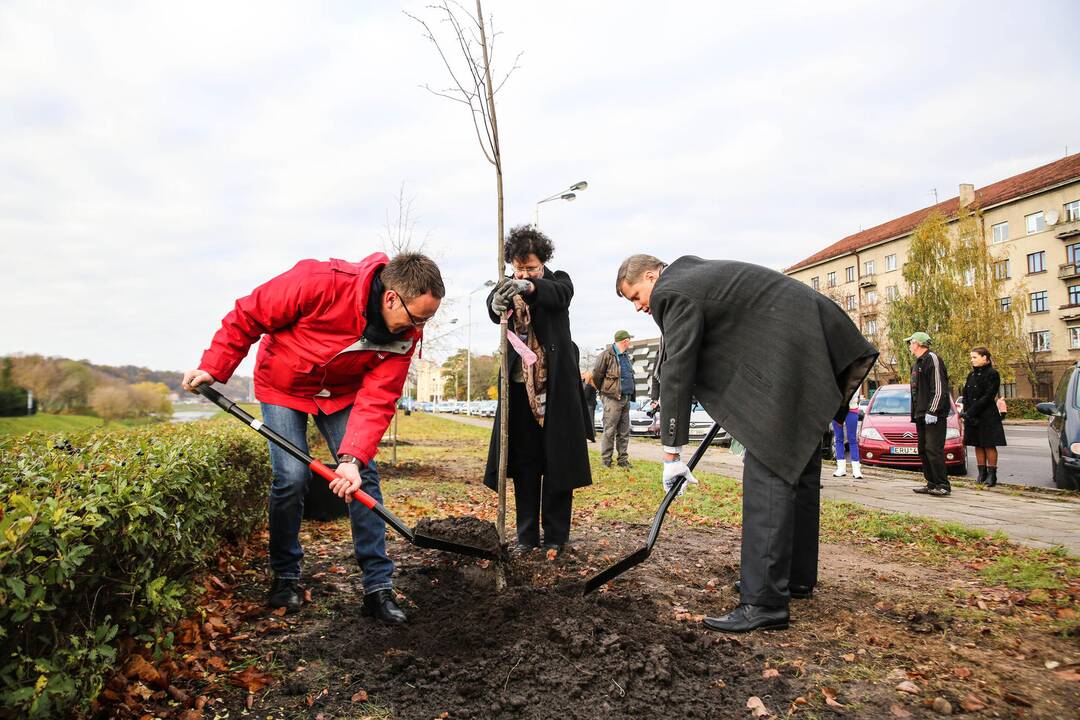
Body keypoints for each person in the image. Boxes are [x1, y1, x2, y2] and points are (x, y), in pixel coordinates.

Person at [615, 254, 877, 633]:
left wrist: (671, 453)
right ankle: (794, 579)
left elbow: (678, 369)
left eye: (636, 295)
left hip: (788, 354)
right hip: (808, 344)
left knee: (767, 475)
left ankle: (763, 602)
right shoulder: (693, 276)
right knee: (796, 467)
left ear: (652, 276)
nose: (640, 306)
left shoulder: (672, 291)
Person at [181, 252, 445, 624]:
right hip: (283, 385)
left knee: (362, 477)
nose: (419, 327)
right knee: (291, 477)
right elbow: (248, 314)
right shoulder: (319, 281)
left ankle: (377, 588)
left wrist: (350, 459)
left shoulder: (405, 337)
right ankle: (285, 576)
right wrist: (214, 368)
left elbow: (379, 397)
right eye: (419, 317)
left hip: (341, 393)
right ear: (391, 298)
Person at [484, 225, 593, 553]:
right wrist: (497, 301)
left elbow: (558, 295)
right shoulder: (505, 284)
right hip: (519, 392)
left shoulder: (559, 281)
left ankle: (557, 537)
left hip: (555, 392)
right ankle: (526, 537)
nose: (524, 272)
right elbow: (493, 309)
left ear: (542, 262)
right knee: (526, 465)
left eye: (531, 267)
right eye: (519, 268)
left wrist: (529, 285)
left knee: (557, 462)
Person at [905, 331, 951, 497]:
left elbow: (939, 388)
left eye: (910, 343)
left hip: (934, 415)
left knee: (933, 449)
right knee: (923, 449)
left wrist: (933, 410)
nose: (909, 346)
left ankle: (942, 484)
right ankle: (931, 483)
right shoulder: (918, 363)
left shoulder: (932, 359)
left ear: (917, 343)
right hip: (921, 415)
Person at [960, 346, 1006, 487]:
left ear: (984, 358)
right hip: (972, 417)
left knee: (988, 444)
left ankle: (992, 475)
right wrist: (967, 412)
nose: (971, 360)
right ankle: (982, 473)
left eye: (974, 357)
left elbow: (988, 396)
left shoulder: (992, 374)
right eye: (971, 357)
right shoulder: (971, 375)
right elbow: (966, 395)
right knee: (977, 444)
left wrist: (972, 411)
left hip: (987, 416)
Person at [592, 330, 637, 468]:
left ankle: (623, 460)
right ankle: (606, 461)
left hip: (626, 398)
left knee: (624, 431)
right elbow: (597, 376)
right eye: (629, 340)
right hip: (612, 398)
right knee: (610, 430)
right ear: (625, 341)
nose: (630, 342)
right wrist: (605, 393)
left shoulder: (626, 356)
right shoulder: (606, 355)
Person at [831, 391, 863, 478]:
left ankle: (856, 470)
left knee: (852, 438)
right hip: (837, 409)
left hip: (851, 409)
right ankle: (841, 468)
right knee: (838, 438)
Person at [581, 370, 598, 437]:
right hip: (591, 404)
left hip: (589, 404)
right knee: (591, 419)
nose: (582, 375)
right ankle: (592, 434)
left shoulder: (589, 385)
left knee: (590, 420)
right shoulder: (592, 384)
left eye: (583, 374)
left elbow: (586, 396)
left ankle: (592, 434)